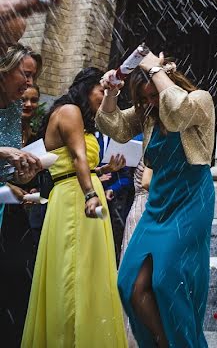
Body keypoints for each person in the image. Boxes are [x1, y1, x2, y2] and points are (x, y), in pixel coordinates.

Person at [97, 51, 215, 348]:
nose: (150, 103)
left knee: (166, 281)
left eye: (152, 96)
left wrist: (154, 69)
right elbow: (113, 126)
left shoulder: (200, 99)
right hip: (159, 202)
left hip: (191, 200)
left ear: (167, 80)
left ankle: (181, 342)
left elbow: (179, 113)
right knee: (130, 284)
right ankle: (163, 340)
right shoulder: (148, 114)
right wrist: (111, 93)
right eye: (144, 99)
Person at [21, 67, 127, 347]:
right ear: (86, 87)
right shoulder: (69, 111)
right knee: (74, 273)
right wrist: (91, 194)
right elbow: (78, 158)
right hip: (75, 200)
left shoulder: (75, 115)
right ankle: (70, 339)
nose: (103, 96)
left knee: (87, 272)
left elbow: (75, 162)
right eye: (100, 90)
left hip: (79, 190)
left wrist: (105, 168)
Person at [0, 45, 42, 345]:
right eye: (25, 74)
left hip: (7, 205)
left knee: (18, 278)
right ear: (4, 69)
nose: (29, 83)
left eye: (33, 77)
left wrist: (22, 174)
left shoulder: (14, 108)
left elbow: (8, 171)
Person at [120, 156, 150, 348]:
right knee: (142, 274)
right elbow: (148, 182)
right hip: (146, 212)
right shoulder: (152, 152)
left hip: (139, 210)